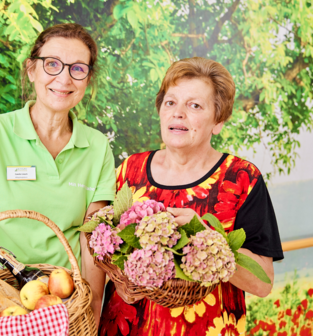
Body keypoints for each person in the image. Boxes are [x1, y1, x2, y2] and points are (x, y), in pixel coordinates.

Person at [99, 57, 284, 336]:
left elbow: (263, 283)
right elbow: (104, 251)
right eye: (171, 102)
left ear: (218, 121)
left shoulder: (242, 179)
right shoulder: (128, 170)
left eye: (194, 105)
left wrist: (205, 237)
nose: (178, 113)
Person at [0, 23, 114, 327]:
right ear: (31, 70)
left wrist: (91, 308)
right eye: (52, 64)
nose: (63, 78)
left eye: (77, 68)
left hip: (63, 304)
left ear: (87, 80)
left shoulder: (96, 147)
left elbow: (93, 238)